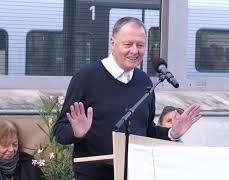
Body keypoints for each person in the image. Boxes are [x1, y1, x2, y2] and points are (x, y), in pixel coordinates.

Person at [53, 16, 201, 180]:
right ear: (112, 42)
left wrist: (172, 133)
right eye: (128, 44)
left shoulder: (144, 81)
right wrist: (76, 132)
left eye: (140, 45)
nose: (134, 50)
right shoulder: (86, 78)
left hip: (136, 173)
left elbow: (146, 130)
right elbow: (60, 132)